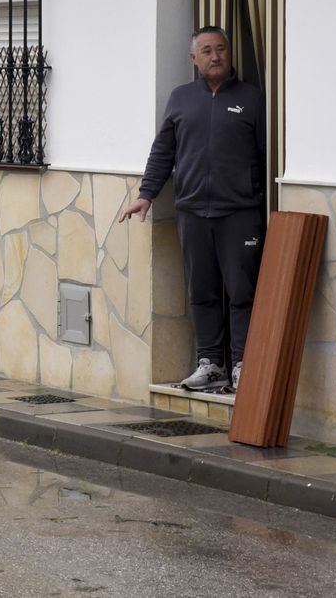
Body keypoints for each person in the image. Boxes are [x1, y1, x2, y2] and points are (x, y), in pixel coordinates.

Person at [119, 26, 266, 394]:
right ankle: (211, 363)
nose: (215, 56)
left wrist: (259, 198)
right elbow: (163, 152)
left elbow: (267, 154)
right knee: (202, 290)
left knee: (241, 291)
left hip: (240, 212)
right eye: (206, 51)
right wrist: (146, 194)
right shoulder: (181, 99)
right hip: (193, 212)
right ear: (194, 59)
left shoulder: (251, 98)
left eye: (221, 49)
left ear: (229, 54)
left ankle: (243, 364)